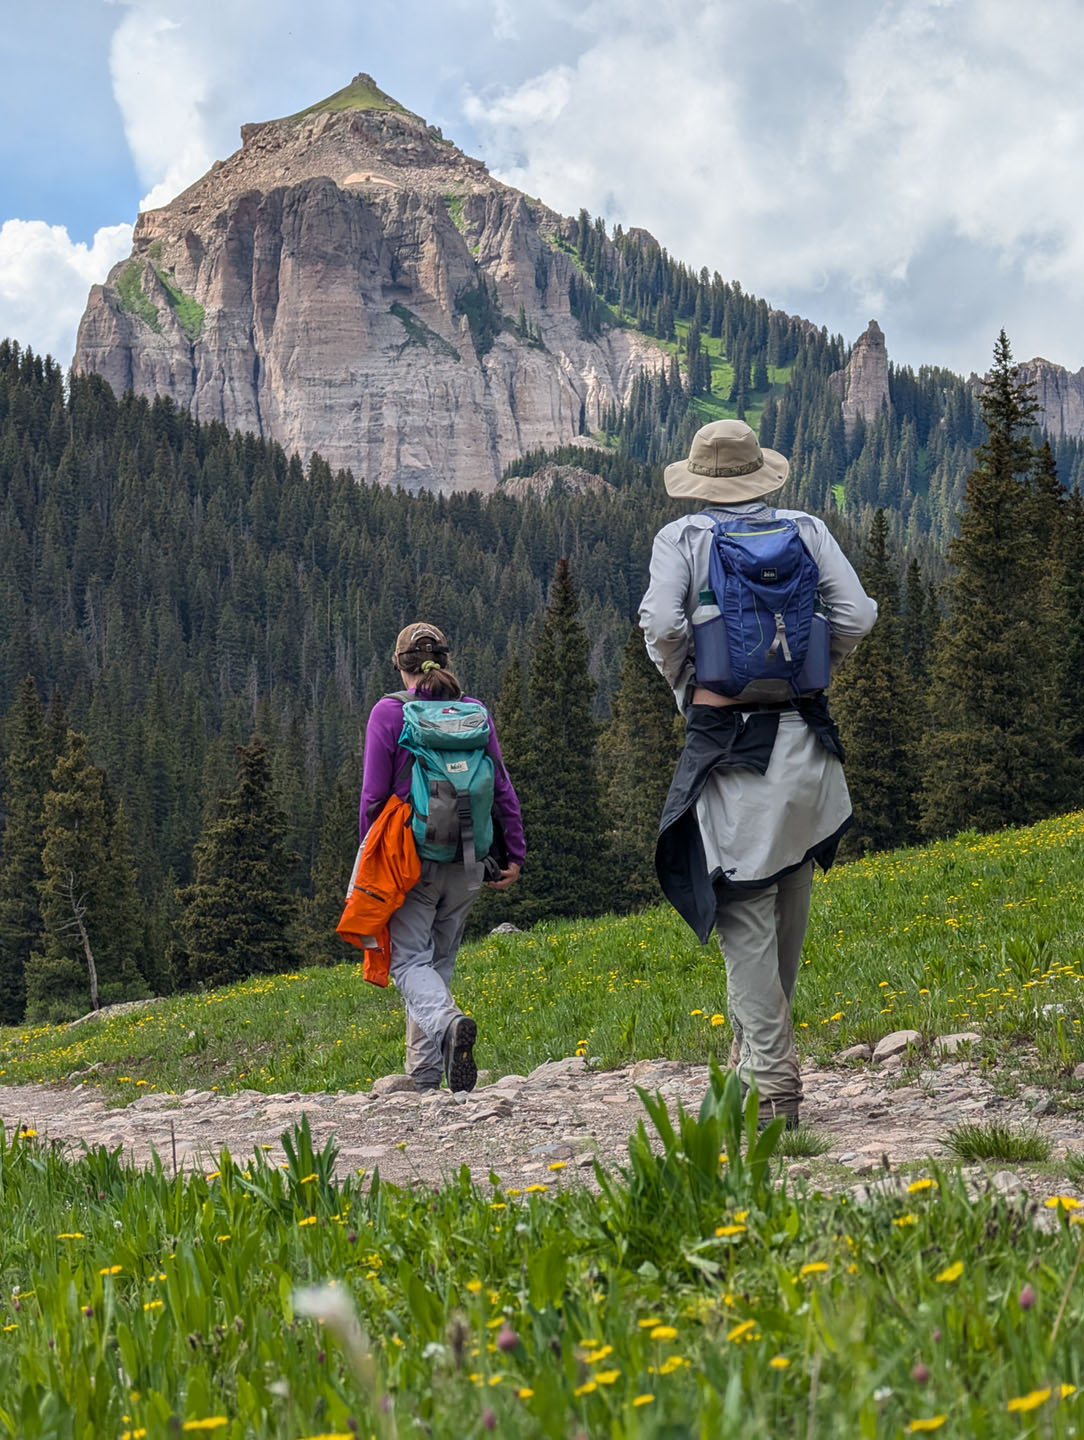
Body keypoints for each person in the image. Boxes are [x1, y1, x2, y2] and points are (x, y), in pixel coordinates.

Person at [639, 419, 877, 1128]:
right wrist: (810, 666)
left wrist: (691, 684)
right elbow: (858, 615)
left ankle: (773, 1092)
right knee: (788, 900)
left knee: (742, 912)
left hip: (731, 745)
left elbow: (660, 625)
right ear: (758, 474)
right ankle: (754, 1063)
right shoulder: (806, 528)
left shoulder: (684, 538)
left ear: (702, 481)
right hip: (808, 744)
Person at [359, 623, 524, 1092]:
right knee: (438, 963)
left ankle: (448, 1026)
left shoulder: (390, 714)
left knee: (409, 963)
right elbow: (502, 786)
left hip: (412, 858)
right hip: (471, 856)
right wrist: (514, 851)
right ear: (445, 661)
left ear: (399, 664)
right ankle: (428, 1073)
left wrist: (370, 862)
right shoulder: (474, 712)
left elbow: (373, 799)